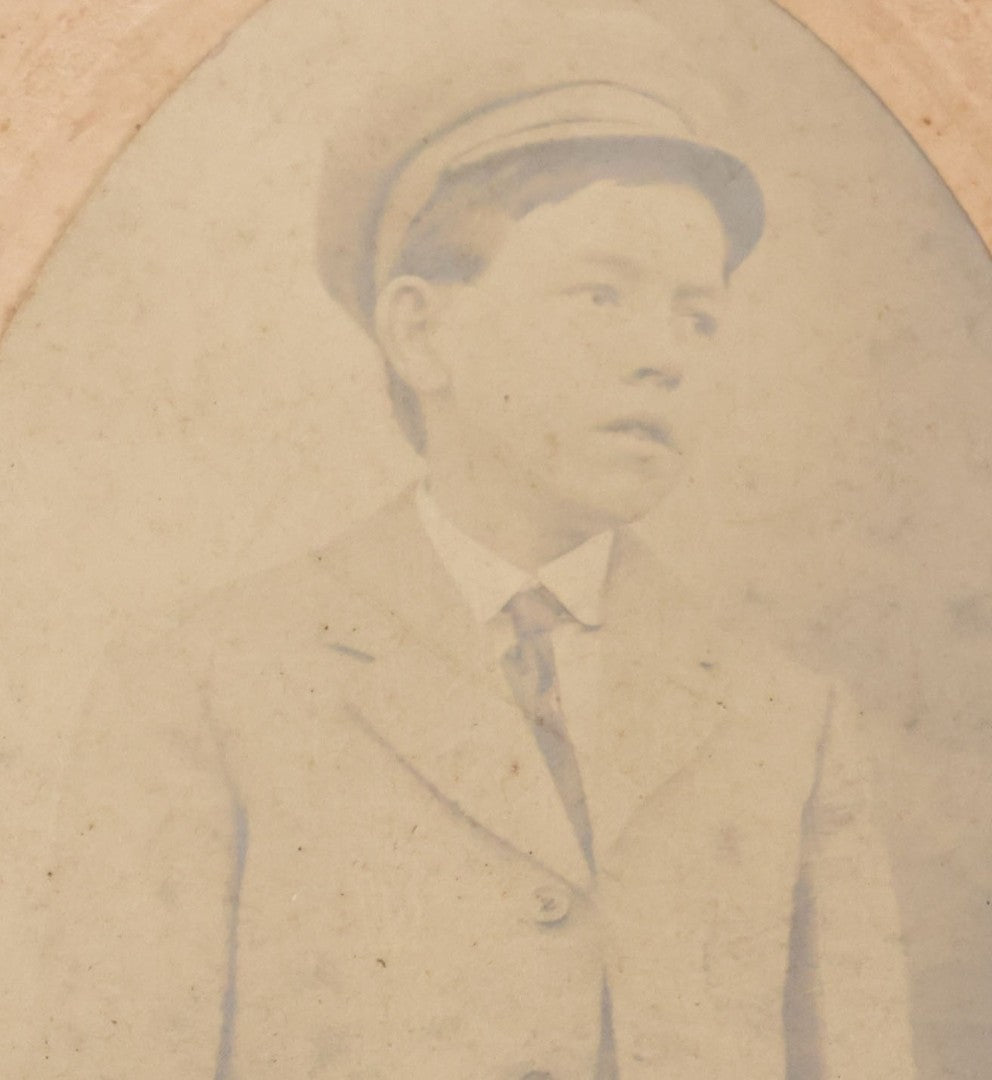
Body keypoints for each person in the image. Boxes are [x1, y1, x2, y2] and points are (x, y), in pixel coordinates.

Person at [41, 81, 916, 1079]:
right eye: (602, 296)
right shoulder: (206, 684)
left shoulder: (782, 721)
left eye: (697, 318)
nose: (661, 358)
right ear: (420, 333)